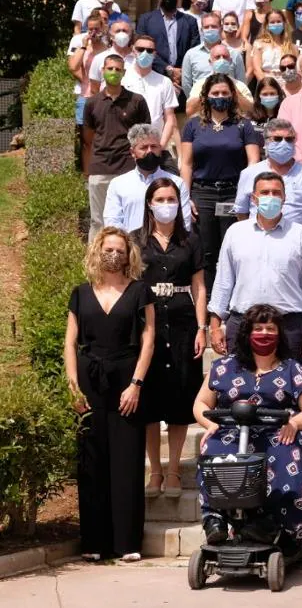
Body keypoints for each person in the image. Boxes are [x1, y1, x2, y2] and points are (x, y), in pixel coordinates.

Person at [194, 304, 302, 546]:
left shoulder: (291, 369)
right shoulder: (224, 367)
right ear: (247, 333)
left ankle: (276, 526)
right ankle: (216, 519)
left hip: (278, 432)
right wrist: (207, 423)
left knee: (287, 452)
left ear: (279, 334)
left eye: (270, 328)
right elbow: (201, 402)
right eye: (258, 328)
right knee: (212, 449)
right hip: (232, 432)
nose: (264, 333)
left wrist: (295, 423)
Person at [64, 228, 155, 562]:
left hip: (126, 377)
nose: (113, 255)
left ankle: (127, 542)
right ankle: (93, 542)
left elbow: (149, 339)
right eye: (108, 249)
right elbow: (70, 342)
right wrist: (72, 387)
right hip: (89, 378)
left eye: (119, 249)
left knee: (127, 458)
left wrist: (137, 383)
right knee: (91, 458)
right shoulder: (80, 293)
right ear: (97, 252)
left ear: (128, 254)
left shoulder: (139, 291)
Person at [135, 178, 206, 500]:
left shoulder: (190, 240)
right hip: (148, 324)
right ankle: (155, 470)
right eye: (160, 198)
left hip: (182, 322)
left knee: (179, 398)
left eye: (171, 198)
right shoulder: (137, 241)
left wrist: (202, 327)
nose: (166, 204)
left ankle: (175, 468)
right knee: (149, 402)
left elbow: (199, 287)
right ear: (150, 203)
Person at [208, 172, 302, 359]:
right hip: (243, 323)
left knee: (290, 386)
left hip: (289, 326)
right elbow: (223, 281)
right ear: (254, 198)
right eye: (264, 193)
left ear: (284, 197)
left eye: (276, 193)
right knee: (239, 386)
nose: (270, 197)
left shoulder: (301, 234)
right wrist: (215, 327)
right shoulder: (235, 233)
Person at [179, 73, 262, 292]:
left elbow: (253, 161)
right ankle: (207, 305)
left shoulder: (244, 126)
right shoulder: (193, 125)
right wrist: (185, 198)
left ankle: (234, 300)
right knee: (206, 252)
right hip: (202, 193)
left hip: (233, 193)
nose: (220, 97)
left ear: (232, 95)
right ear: (206, 96)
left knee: (234, 249)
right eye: (215, 93)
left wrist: (245, 196)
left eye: (225, 93)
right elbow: (186, 163)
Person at [84, 55, 151, 241]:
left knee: (131, 220)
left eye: (117, 69)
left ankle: (132, 264)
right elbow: (88, 140)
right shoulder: (92, 103)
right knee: (98, 221)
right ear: (103, 71)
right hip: (100, 169)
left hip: (128, 168)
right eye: (110, 68)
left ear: (124, 72)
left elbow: (144, 136)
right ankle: (96, 267)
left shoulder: (137, 101)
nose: (114, 72)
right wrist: (87, 170)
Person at [233, 119, 302, 232]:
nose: (283, 143)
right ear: (266, 142)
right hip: (259, 241)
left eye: (289, 139)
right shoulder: (249, 174)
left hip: (297, 243)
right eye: (277, 139)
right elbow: (241, 212)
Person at [103, 124, 193, 232]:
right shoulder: (118, 184)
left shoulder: (177, 183)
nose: (150, 151)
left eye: (154, 146)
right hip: (131, 245)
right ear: (132, 152)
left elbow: (185, 222)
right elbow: (112, 221)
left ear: (160, 148)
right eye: (144, 147)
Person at [135, 0, 200, 92]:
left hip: (183, 80)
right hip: (154, 78)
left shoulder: (190, 21)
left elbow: (194, 50)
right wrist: (168, 69)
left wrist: (181, 72)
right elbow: (142, 49)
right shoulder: (145, 20)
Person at [184, 44, 254, 114]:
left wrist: (234, 90)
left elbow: (251, 110)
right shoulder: (200, 85)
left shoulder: (240, 86)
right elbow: (190, 111)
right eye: (217, 57)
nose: (222, 60)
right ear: (210, 62)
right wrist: (206, 90)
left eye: (225, 57)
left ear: (230, 61)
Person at [183, 13, 245, 93]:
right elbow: (186, 85)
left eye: (214, 26)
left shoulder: (234, 54)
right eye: (206, 27)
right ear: (201, 30)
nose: (210, 29)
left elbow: (241, 83)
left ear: (221, 29)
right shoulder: (191, 55)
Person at [69, 9, 111, 126]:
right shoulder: (84, 48)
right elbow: (73, 67)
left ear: (102, 29)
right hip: (85, 97)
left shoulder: (108, 50)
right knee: (84, 136)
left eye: (96, 29)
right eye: (90, 29)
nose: (93, 32)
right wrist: (83, 46)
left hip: (104, 97)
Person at [87, 18, 137, 94]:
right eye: (118, 31)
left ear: (130, 35)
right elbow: (94, 88)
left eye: (125, 31)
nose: (122, 34)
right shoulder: (99, 58)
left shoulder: (137, 58)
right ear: (110, 36)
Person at [248, 10, 297, 83]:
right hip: (267, 82)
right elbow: (257, 69)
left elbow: (297, 69)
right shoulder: (259, 44)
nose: (276, 24)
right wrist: (266, 85)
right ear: (267, 25)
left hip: (288, 83)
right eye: (272, 22)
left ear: (284, 24)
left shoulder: (292, 47)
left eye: (278, 21)